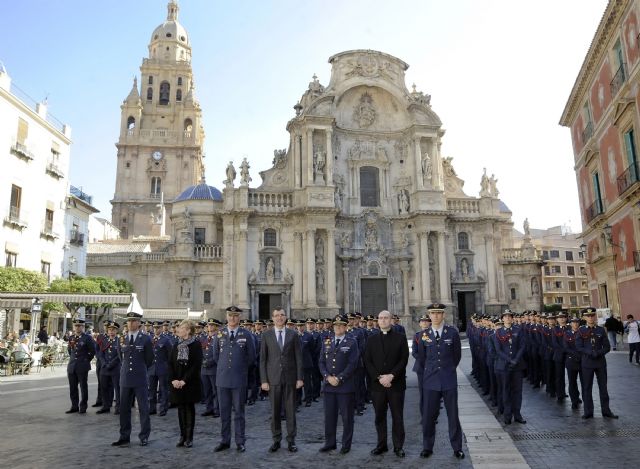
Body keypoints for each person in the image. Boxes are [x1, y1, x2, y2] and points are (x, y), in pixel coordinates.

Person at [416, 303, 464, 460]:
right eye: (433, 313)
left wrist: (448, 369)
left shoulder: (452, 333)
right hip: (430, 381)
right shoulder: (424, 335)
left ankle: (457, 447)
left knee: (453, 415)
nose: (435, 316)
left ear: (443, 315)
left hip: (448, 379)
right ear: (429, 315)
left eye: (438, 313)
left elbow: (456, 355)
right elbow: (422, 358)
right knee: (429, 416)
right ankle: (427, 447)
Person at [364, 310, 409, 458]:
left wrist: (391, 376)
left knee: (397, 416)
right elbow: (368, 361)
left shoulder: (401, 338)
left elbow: (403, 360)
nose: (383, 320)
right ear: (378, 321)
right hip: (377, 386)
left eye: (386, 318)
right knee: (379, 417)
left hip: (396, 385)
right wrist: (379, 377)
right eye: (380, 318)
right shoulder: (371, 339)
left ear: (391, 320)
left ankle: (398, 446)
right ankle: (381, 445)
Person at [260, 307, 304, 453]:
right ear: (272, 318)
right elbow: (263, 360)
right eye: (276, 315)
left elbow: (299, 357)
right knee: (275, 411)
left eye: (282, 315)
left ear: (286, 317)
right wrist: (264, 380)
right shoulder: (266, 335)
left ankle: (291, 441)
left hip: (291, 378)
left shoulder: (293, 334)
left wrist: (299, 378)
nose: (279, 317)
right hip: (273, 380)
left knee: (291, 411)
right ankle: (276, 440)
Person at [213, 306, 256, 453]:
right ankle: (224, 441)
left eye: (236, 316)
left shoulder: (246, 334)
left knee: (239, 412)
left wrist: (241, 369)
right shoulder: (219, 334)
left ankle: (240, 441)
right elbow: (215, 356)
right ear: (227, 317)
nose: (233, 318)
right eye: (230, 315)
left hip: (239, 379)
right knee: (224, 412)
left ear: (239, 318)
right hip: (223, 379)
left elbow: (251, 357)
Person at [111, 311, 154, 447]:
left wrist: (140, 368)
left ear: (139, 323)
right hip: (125, 378)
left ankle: (144, 436)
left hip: (140, 378)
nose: (130, 323)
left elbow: (149, 359)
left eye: (133, 321)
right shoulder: (121, 338)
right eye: (128, 321)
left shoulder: (145, 338)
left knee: (143, 408)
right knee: (124, 409)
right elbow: (120, 357)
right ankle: (124, 436)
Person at [318, 314, 359, 454]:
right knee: (329, 417)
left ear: (346, 327)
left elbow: (353, 364)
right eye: (335, 325)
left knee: (347, 417)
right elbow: (321, 362)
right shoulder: (327, 341)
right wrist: (327, 377)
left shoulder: (351, 342)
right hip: (329, 386)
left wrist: (340, 378)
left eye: (341, 325)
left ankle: (346, 445)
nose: (337, 327)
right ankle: (330, 443)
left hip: (345, 386)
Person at [575, 307, 618, 420]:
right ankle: (588, 411)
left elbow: (607, 347)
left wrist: (599, 353)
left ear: (595, 316)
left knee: (603, 387)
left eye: (592, 315)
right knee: (587, 388)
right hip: (587, 363)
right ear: (584, 317)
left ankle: (606, 411)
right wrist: (590, 352)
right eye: (588, 316)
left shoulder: (601, 330)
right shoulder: (581, 330)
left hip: (600, 362)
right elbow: (579, 346)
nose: (590, 317)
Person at [169, 320, 203, 448]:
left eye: (181, 328)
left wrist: (184, 380)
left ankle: (189, 437)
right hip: (176, 383)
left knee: (189, 409)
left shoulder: (196, 345)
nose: (178, 329)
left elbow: (195, 365)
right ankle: (182, 436)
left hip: (189, 383)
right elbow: (170, 363)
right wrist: (173, 379)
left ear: (188, 330)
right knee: (180, 409)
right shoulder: (175, 344)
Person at [492, 310, 526, 425]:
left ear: (512, 318)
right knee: (506, 390)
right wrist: (510, 360)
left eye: (509, 316)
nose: (507, 318)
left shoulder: (518, 330)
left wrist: (516, 359)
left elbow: (522, 346)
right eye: (505, 317)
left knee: (518, 391)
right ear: (502, 319)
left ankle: (517, 414)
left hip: (517, 365)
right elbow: (498, 350)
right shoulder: (498, 332)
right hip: (504, 365)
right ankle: (507, 415)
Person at [65, 319, 96, 414]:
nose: (78, 327)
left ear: (83, 327)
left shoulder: (87, 338)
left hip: (82, 366)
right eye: (76, 326)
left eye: (80, 326)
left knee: (83, 387)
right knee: (73, 387)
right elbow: (70, 351)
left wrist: (86, 360)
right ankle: (74, 406)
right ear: (74, 327)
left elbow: (93, 351)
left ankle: (83, 406)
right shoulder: (71, 338)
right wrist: (73, 360)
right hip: (72, 366)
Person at [96, 321, 122, 415]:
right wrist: (104, 363)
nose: (111, 332)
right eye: (110, 330)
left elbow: (120, 355)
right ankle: (106, 406)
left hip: (115, 369)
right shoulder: (104, 341)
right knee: (104, 387)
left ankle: (118, 407)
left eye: (113, 330)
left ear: (117, 331)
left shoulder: (119, 341)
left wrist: (111, 364)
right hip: (104, 368)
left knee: (117, 388)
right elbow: (100, 353)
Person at [149, 321, 173, 416]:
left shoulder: (166, 340)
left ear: (161, 328)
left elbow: (170, 354)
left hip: (162, 367)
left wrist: (167, 366)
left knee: (163, 389)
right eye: (154, 328)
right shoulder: (150, 339)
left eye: (158, 328)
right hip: (152, 368)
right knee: (152, 389)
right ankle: (152, 408)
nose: (156, 329)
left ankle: (163, 408)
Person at [201, 318, 221, 417]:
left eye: (212, 325)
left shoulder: (219, 337)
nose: (210, 327)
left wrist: (210, 362)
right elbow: (200, 352)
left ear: (216, 327)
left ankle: (217, 409)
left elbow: (219, 353)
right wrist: (202, 362)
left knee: (216, 390)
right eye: (209, 325)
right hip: (204, 369)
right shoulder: (203, 338)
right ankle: (209, 408)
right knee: (207, 390)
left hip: (214, 368)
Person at [563, 317, 583, 409]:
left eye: (577, 322)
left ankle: (584, 399)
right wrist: (576, 354)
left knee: (584, 382)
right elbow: (566, 347)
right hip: (571, 361)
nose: (575, 324)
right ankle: (574, 400)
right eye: (573, 322)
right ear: (570, 324)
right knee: (572, 382)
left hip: (582, 361)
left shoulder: (583, 332)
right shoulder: (566, 334)